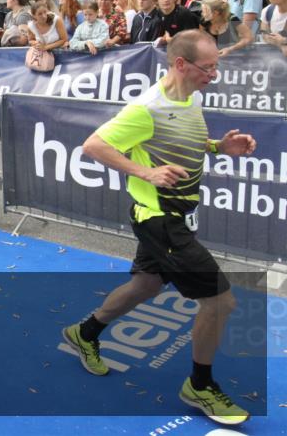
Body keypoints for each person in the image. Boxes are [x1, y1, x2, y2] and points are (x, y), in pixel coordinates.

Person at [64, 29, 255, 426]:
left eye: (217, 64)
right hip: (160, 219)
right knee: (220, 302)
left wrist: (221, 147)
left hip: (177, 214)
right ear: (181, 64)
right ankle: (200, 386)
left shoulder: (190, 96)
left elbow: (188, 139)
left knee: (147, 284)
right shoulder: (146, 108)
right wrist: (145, 172)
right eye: (208, 66)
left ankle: (85, 333)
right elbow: (93, 145)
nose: (214, 74)